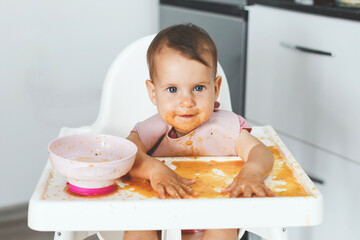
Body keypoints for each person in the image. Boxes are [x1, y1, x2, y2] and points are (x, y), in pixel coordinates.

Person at [124, 23, 275, 240]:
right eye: (173, 89)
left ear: (215, 88)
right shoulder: (153, 128)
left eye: (198, 88)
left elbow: (260, 151)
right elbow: (126, 154)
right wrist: (154, 170)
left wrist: (252, 171)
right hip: (159, 216)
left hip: (209, 218)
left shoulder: (226, 127)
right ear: (153, 92)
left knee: (225, 225)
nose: (187, 102)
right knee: (138, 224)